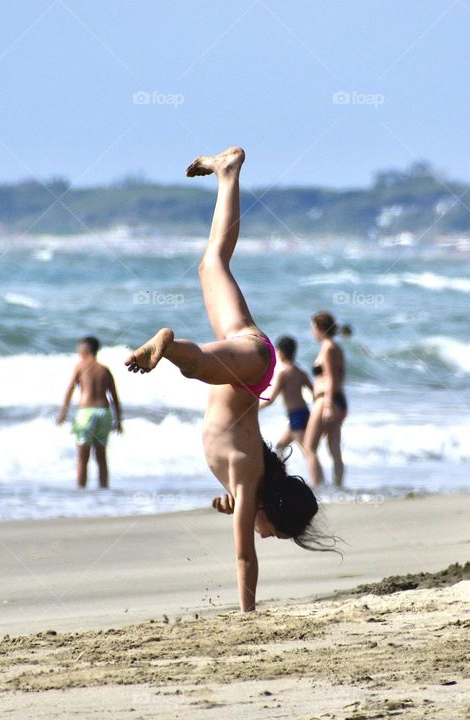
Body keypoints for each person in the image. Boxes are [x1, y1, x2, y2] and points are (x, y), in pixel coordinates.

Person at [123, 146, 329, 612]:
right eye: (275, 533)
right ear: (271, 513)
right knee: (196, 366)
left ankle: (227, 173)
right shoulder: (248, 482)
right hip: (249, 366)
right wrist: (247, 613)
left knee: (212, 262)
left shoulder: (248, 483)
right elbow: (244, 557)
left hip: (251, 354)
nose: (266, 537)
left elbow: (242, 500)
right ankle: (167, 345)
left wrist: (231, 505)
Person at [56, 336, 122, 489]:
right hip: (104, 413)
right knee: (101, 458)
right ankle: (104, 492)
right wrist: (118, 420)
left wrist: (63, 412)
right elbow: (114, 397)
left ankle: (81, 494)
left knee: (82, 459)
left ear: (84, 351)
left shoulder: (80, 366)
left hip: (86, 413)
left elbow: (70, 389)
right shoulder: (105, 370)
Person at [304, 311, 348, 487]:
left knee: (309, 446)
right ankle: (338, 487)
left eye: (313, 327)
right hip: (337, 399)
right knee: (334, 448)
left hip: (326, 400)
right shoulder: (335, 347)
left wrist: (328, 405)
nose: (312, 332)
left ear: (320, 328)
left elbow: (330, 378)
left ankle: (318, 487)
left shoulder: (328, 347)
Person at [259, 336, 315, 457]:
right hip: (304, 413)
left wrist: (255, 408)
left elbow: (271, 400)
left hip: (296, 416)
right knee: (280, 446)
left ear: (282, 352)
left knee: (308, 452)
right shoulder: (300, 372)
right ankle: (283, 470)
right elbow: (315, 392)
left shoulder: (283, 373)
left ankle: (316, 471)